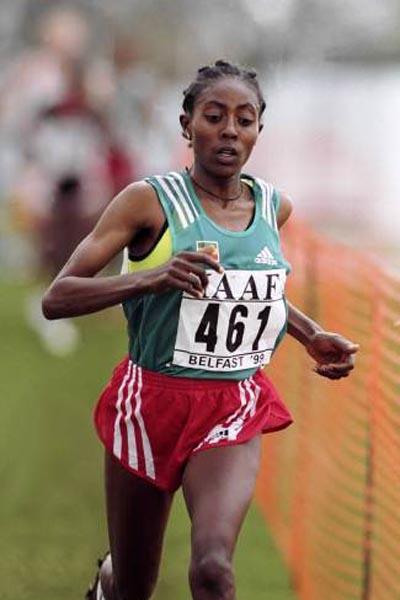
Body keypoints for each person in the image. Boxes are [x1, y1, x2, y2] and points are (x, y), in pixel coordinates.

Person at [42, 60, 359, 600]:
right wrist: (152, 278)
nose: (230, 130)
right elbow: (58, 297)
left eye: (244, 120)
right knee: (133, 587)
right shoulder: (147, 202)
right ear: (187, 125)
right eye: (214, 117)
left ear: (258, 130)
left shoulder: (273, 208)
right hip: (149, 403)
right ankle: (107, 583)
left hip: (232, 404)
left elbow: (248, 291)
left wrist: (309, 334)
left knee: (213, 569)